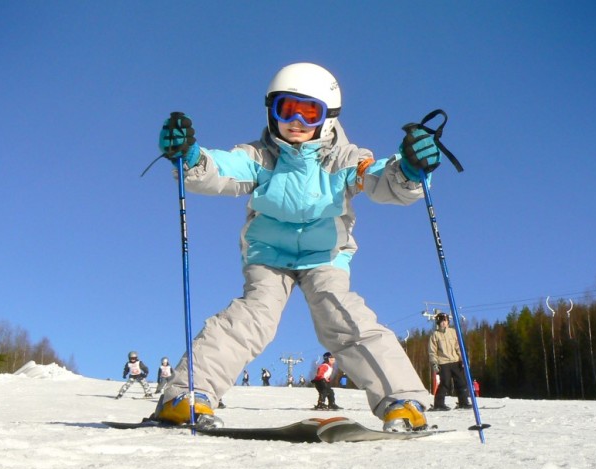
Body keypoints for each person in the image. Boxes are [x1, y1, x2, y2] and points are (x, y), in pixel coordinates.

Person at [151, 62, 442, 432]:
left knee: (341, 315)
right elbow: (223, 168)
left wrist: (408, 171)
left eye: (310, 112)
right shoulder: (259, 157)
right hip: (269, 255)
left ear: (329, 118)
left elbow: (379, 176)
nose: (297, 122)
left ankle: (402, 401)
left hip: (325, 256)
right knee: (251, 318)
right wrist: (193, 159)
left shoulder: (345, 159)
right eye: (287, 109)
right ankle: (187, 395)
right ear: (272, 111)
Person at [428, 313, 470, 410]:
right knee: (445, 383)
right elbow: (432, 351)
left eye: (445, 321)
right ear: (438, 322)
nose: (444, 323)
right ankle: (439, 404)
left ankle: (463, 402)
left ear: (448, 322)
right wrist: (434, 363)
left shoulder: (453, 332)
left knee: (461, 382)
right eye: (442, 321)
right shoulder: (435, 335)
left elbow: (458, 347)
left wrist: (463, 359)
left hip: (455, 360)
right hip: (443, 362)